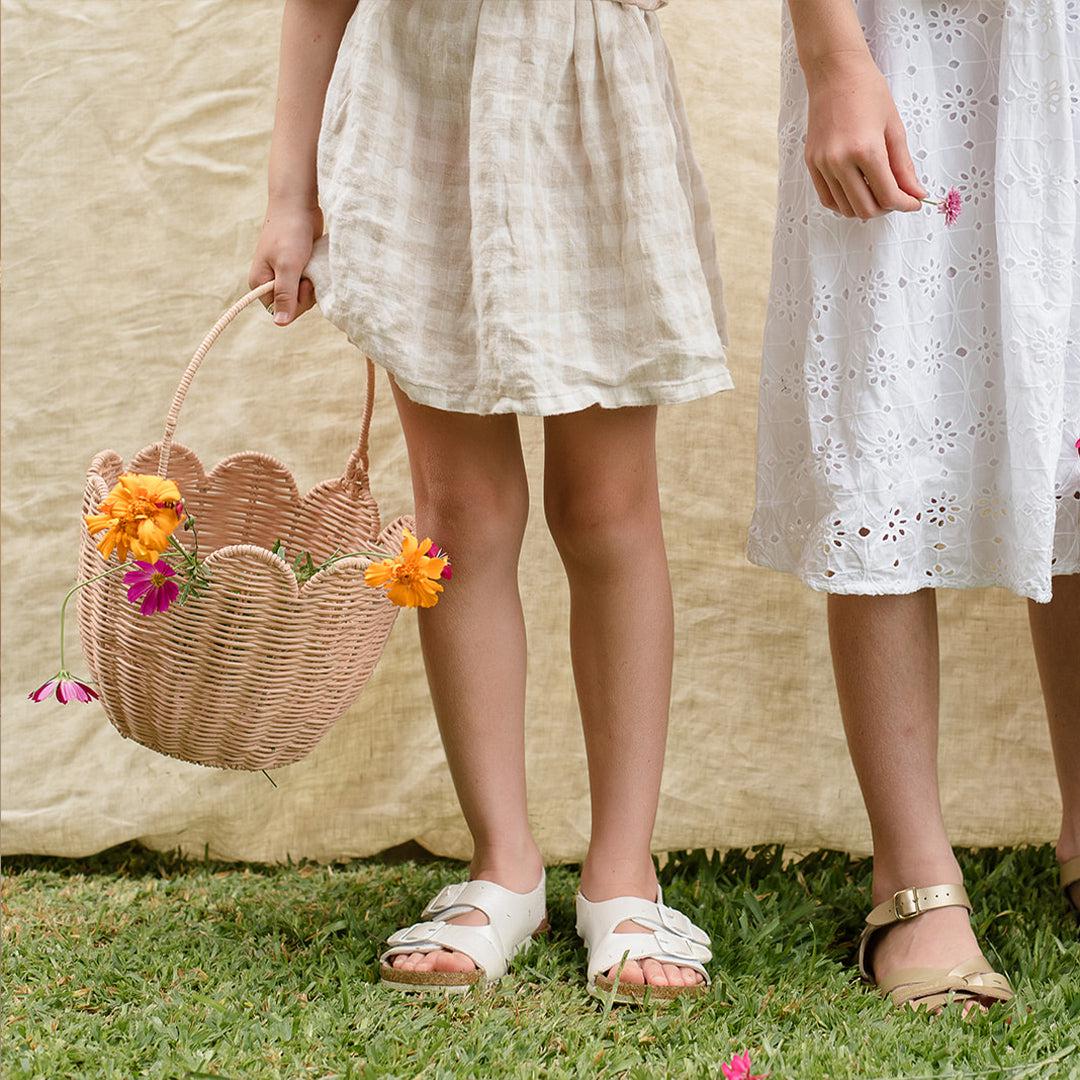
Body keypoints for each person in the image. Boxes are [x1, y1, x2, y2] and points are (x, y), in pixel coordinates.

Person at [250, 0, 726, 1000]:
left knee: (608, 507)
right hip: (421, 103)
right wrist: (289, 196)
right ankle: (503, 863)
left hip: (590, 96)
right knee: (458, 514)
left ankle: (622, 872)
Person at [749, 0, 1079, 1012]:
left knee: (1072, 414)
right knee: (886, 418)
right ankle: (913, 877)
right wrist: (833, 54)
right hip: (910, 46)